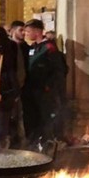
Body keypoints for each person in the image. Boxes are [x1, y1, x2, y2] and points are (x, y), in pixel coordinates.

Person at [22, 19, 65, 148]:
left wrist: (49, 86)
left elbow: (59, 70)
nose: (26, 34)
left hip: (44, 91)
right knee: (33, 118)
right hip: (32, 89)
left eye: (28, 31)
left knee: (45, 118)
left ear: (37, 31)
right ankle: (34, 142)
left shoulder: (49, 48)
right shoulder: (33, 47)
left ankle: (46, 143)